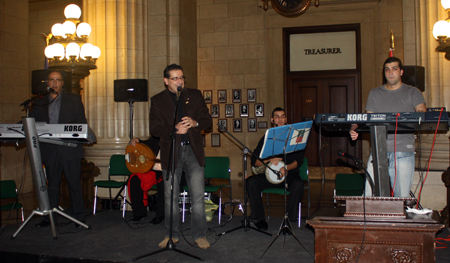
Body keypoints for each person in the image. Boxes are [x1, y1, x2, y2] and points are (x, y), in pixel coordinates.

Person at [150, 64, 212, 249]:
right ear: (166, 81)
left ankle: (200, 235)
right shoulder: (158, 100)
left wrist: (196, 122)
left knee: (198, 196)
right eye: (175, 78)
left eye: (181, 77)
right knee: (170, 197)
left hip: (192, 151)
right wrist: (173, 129)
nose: (179, 81)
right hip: (171, 152)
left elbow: (208, 120)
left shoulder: (195, 95)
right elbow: (153, 128)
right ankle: (172, 235)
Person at [350, 57, 426, 197]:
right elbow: (367, 119)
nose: (390, 72)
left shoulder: (412, 92)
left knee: (400, 199)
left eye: (394, 68)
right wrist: (355, 128)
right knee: (369, 197)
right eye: (387, 69)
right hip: (379, 152)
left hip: (403, 151)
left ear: (401, 72)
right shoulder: (375, 93)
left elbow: (422, 113)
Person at [30, 70, 87, 228]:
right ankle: (49, 217)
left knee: (73, 183)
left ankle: (79, 217)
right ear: (47, 83)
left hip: (69, 149)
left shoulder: (73, 99)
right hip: (50, 150)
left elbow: (81, 122)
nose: (54, 83)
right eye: (51, 80)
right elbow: (30, 121)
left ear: (62, 83)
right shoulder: (41, 101)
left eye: (57, 80)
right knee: (52, 185)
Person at [247, 107, 305, 230]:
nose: (280, 119)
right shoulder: (267, 137)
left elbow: (298, 161)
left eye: (282, 116)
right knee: (251, 182)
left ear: (286, 119)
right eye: (277, 116)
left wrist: (286, 167)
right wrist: (267, 160)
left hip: (288, 174)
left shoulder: (295, 136)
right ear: (273, 120)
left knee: (299, 184)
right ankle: (259, 219)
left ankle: (288, 221)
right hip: (270, 175)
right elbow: (254, 161)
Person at [128, 137, 165, 224]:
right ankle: (139, 213)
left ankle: (160, 214)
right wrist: (137, 141)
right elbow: (144, 143)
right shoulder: (156, 139)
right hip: (152, 170)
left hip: (167, 171)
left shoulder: (175, 139)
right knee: (135, 179)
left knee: (163, 183)